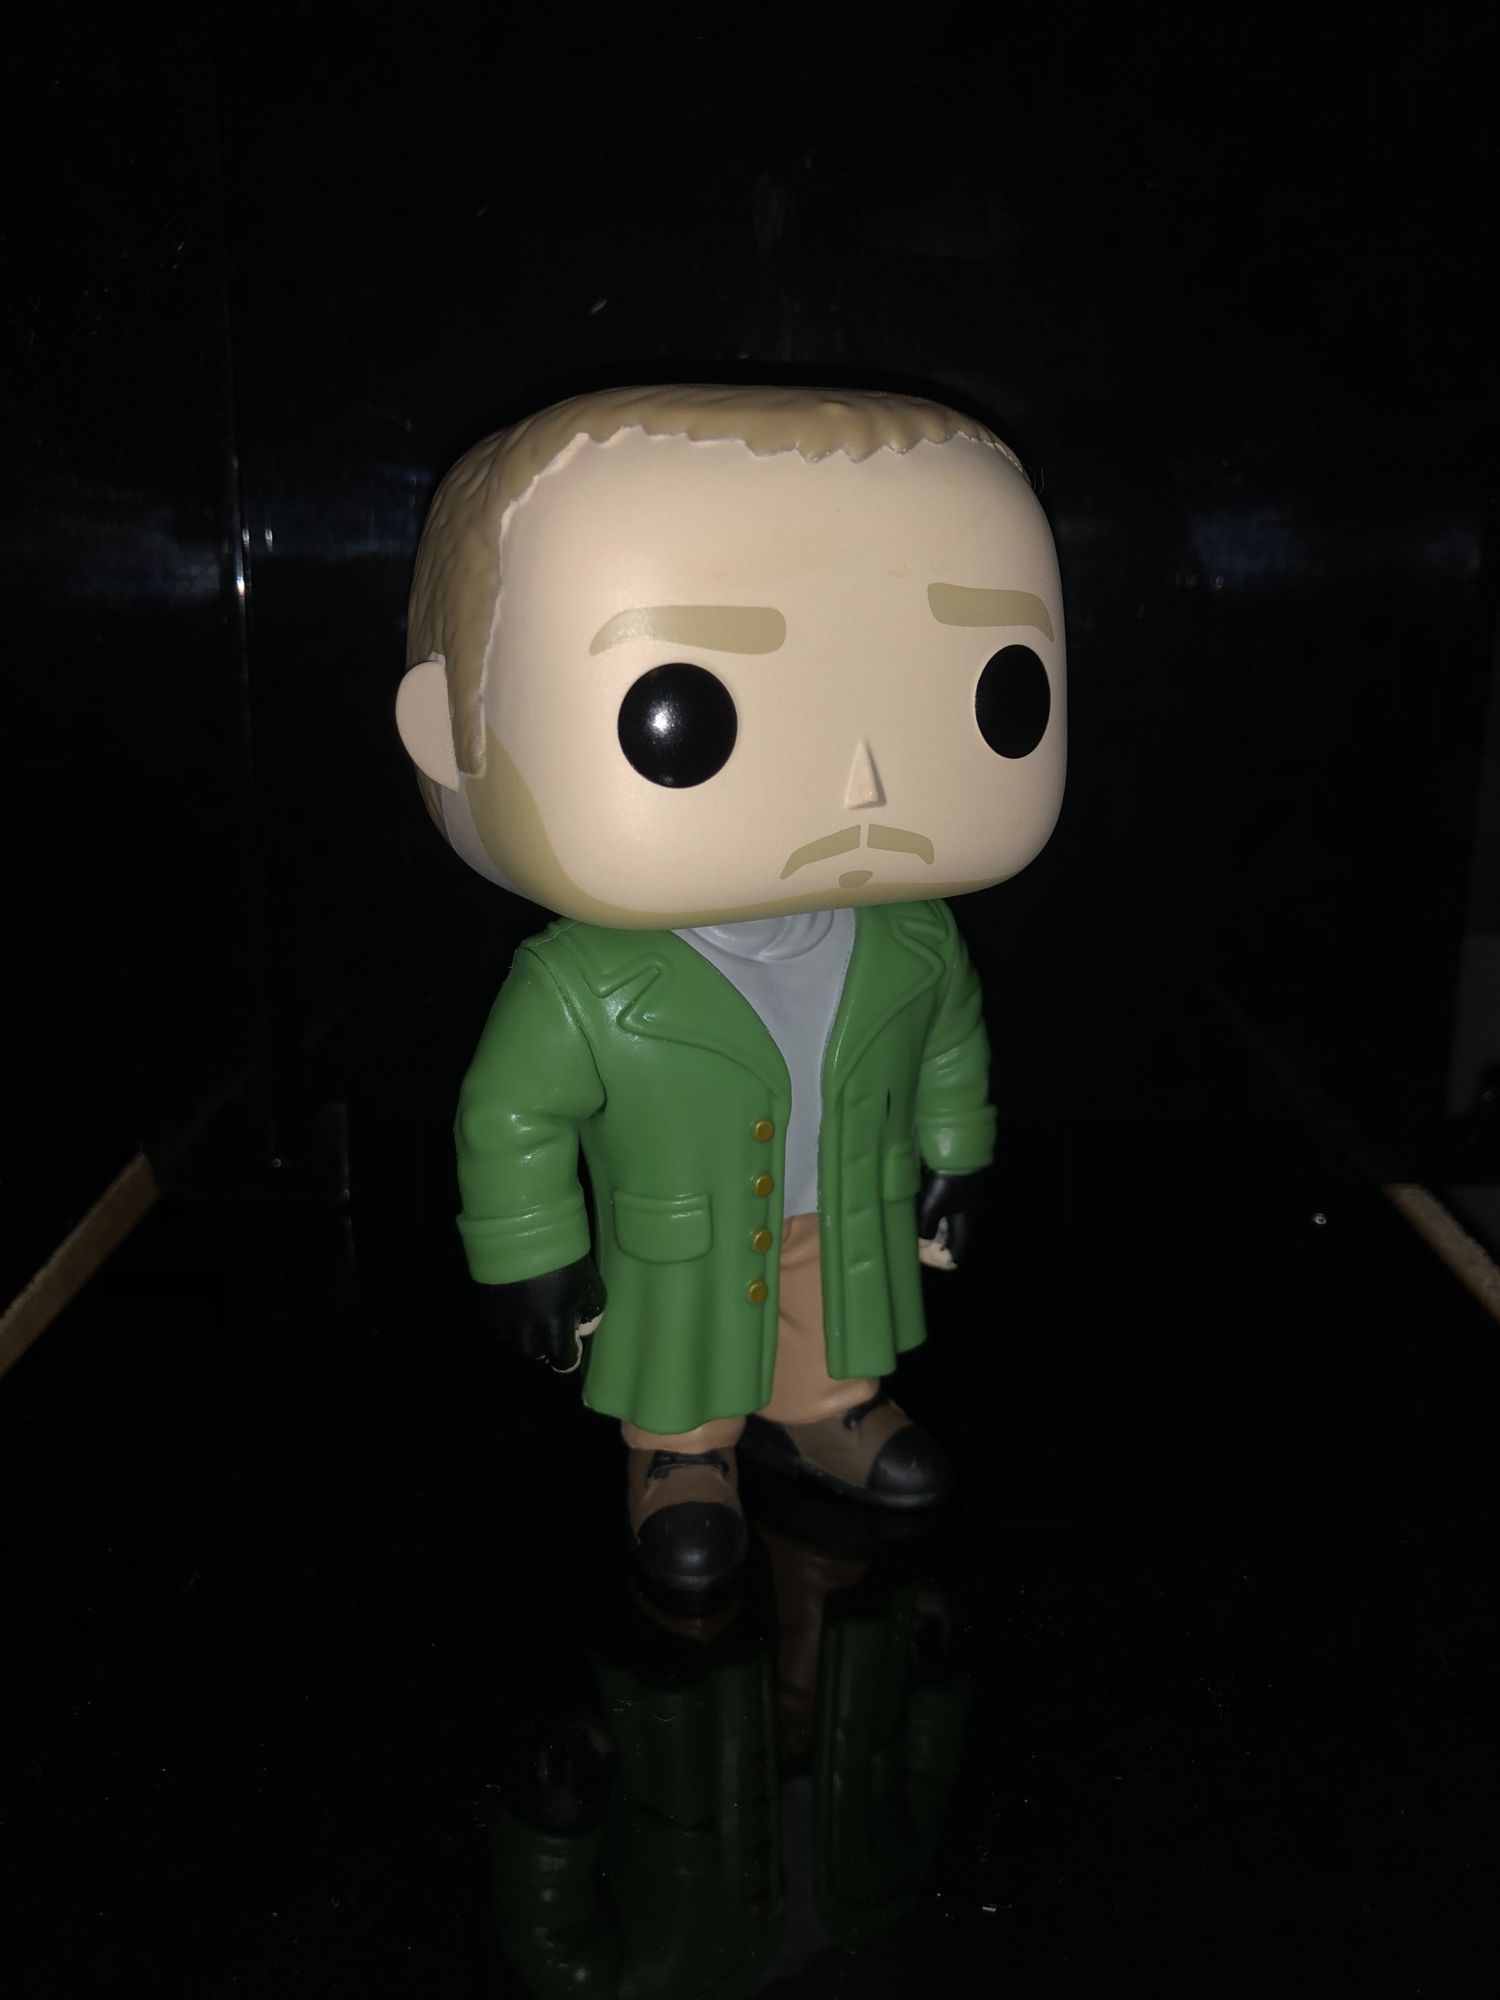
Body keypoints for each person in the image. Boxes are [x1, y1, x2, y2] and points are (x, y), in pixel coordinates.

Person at [395, 384, 1066, 1592]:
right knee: (685, 1345)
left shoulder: (914, 940)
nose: (862, 785)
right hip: (682, 1235)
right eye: (685, 713)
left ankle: (827, 1406)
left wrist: (956, 1154)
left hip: (843, 1201)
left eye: (995, 689)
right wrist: (529, 1249)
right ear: (446, 727)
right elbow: (510, 1114)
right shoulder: (584, 983)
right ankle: (682, 1451)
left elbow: (948, 1042)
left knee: (830, 1315)